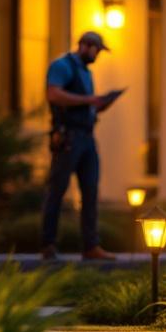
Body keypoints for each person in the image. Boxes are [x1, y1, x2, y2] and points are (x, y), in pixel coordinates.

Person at [39, 31, 122, 261]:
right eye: (97, 51)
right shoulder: (62, 66)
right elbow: (53, 94)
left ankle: (91, 246)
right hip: (68, 137)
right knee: (57, 190)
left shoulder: (87, 73)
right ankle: (48, 244)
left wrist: (98, 105)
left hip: (87, 137)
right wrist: (88, 100)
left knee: (91, 190)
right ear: (86, 46)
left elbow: (84, 103)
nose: (97, 56)